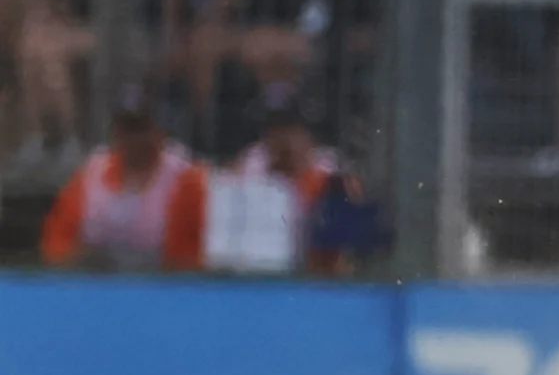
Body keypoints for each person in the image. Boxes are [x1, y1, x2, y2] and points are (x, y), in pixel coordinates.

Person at [40, 91, 204, 269]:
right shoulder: (92, 173)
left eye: (141, 128)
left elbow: (195, 254)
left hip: (162, 285)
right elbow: (57, 239)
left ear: (159, 131)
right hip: (96, 283)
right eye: (127, 129)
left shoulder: (184, 178)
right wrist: (73, 260)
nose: (134, 138)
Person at [204, 94, 340, 274]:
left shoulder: (326, 166)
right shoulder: (253, 160)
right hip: (258, 265)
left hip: (311, 269)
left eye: (288, 128)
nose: (281, 136)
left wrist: (299, 173)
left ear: (305, 131)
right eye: (273, 128)